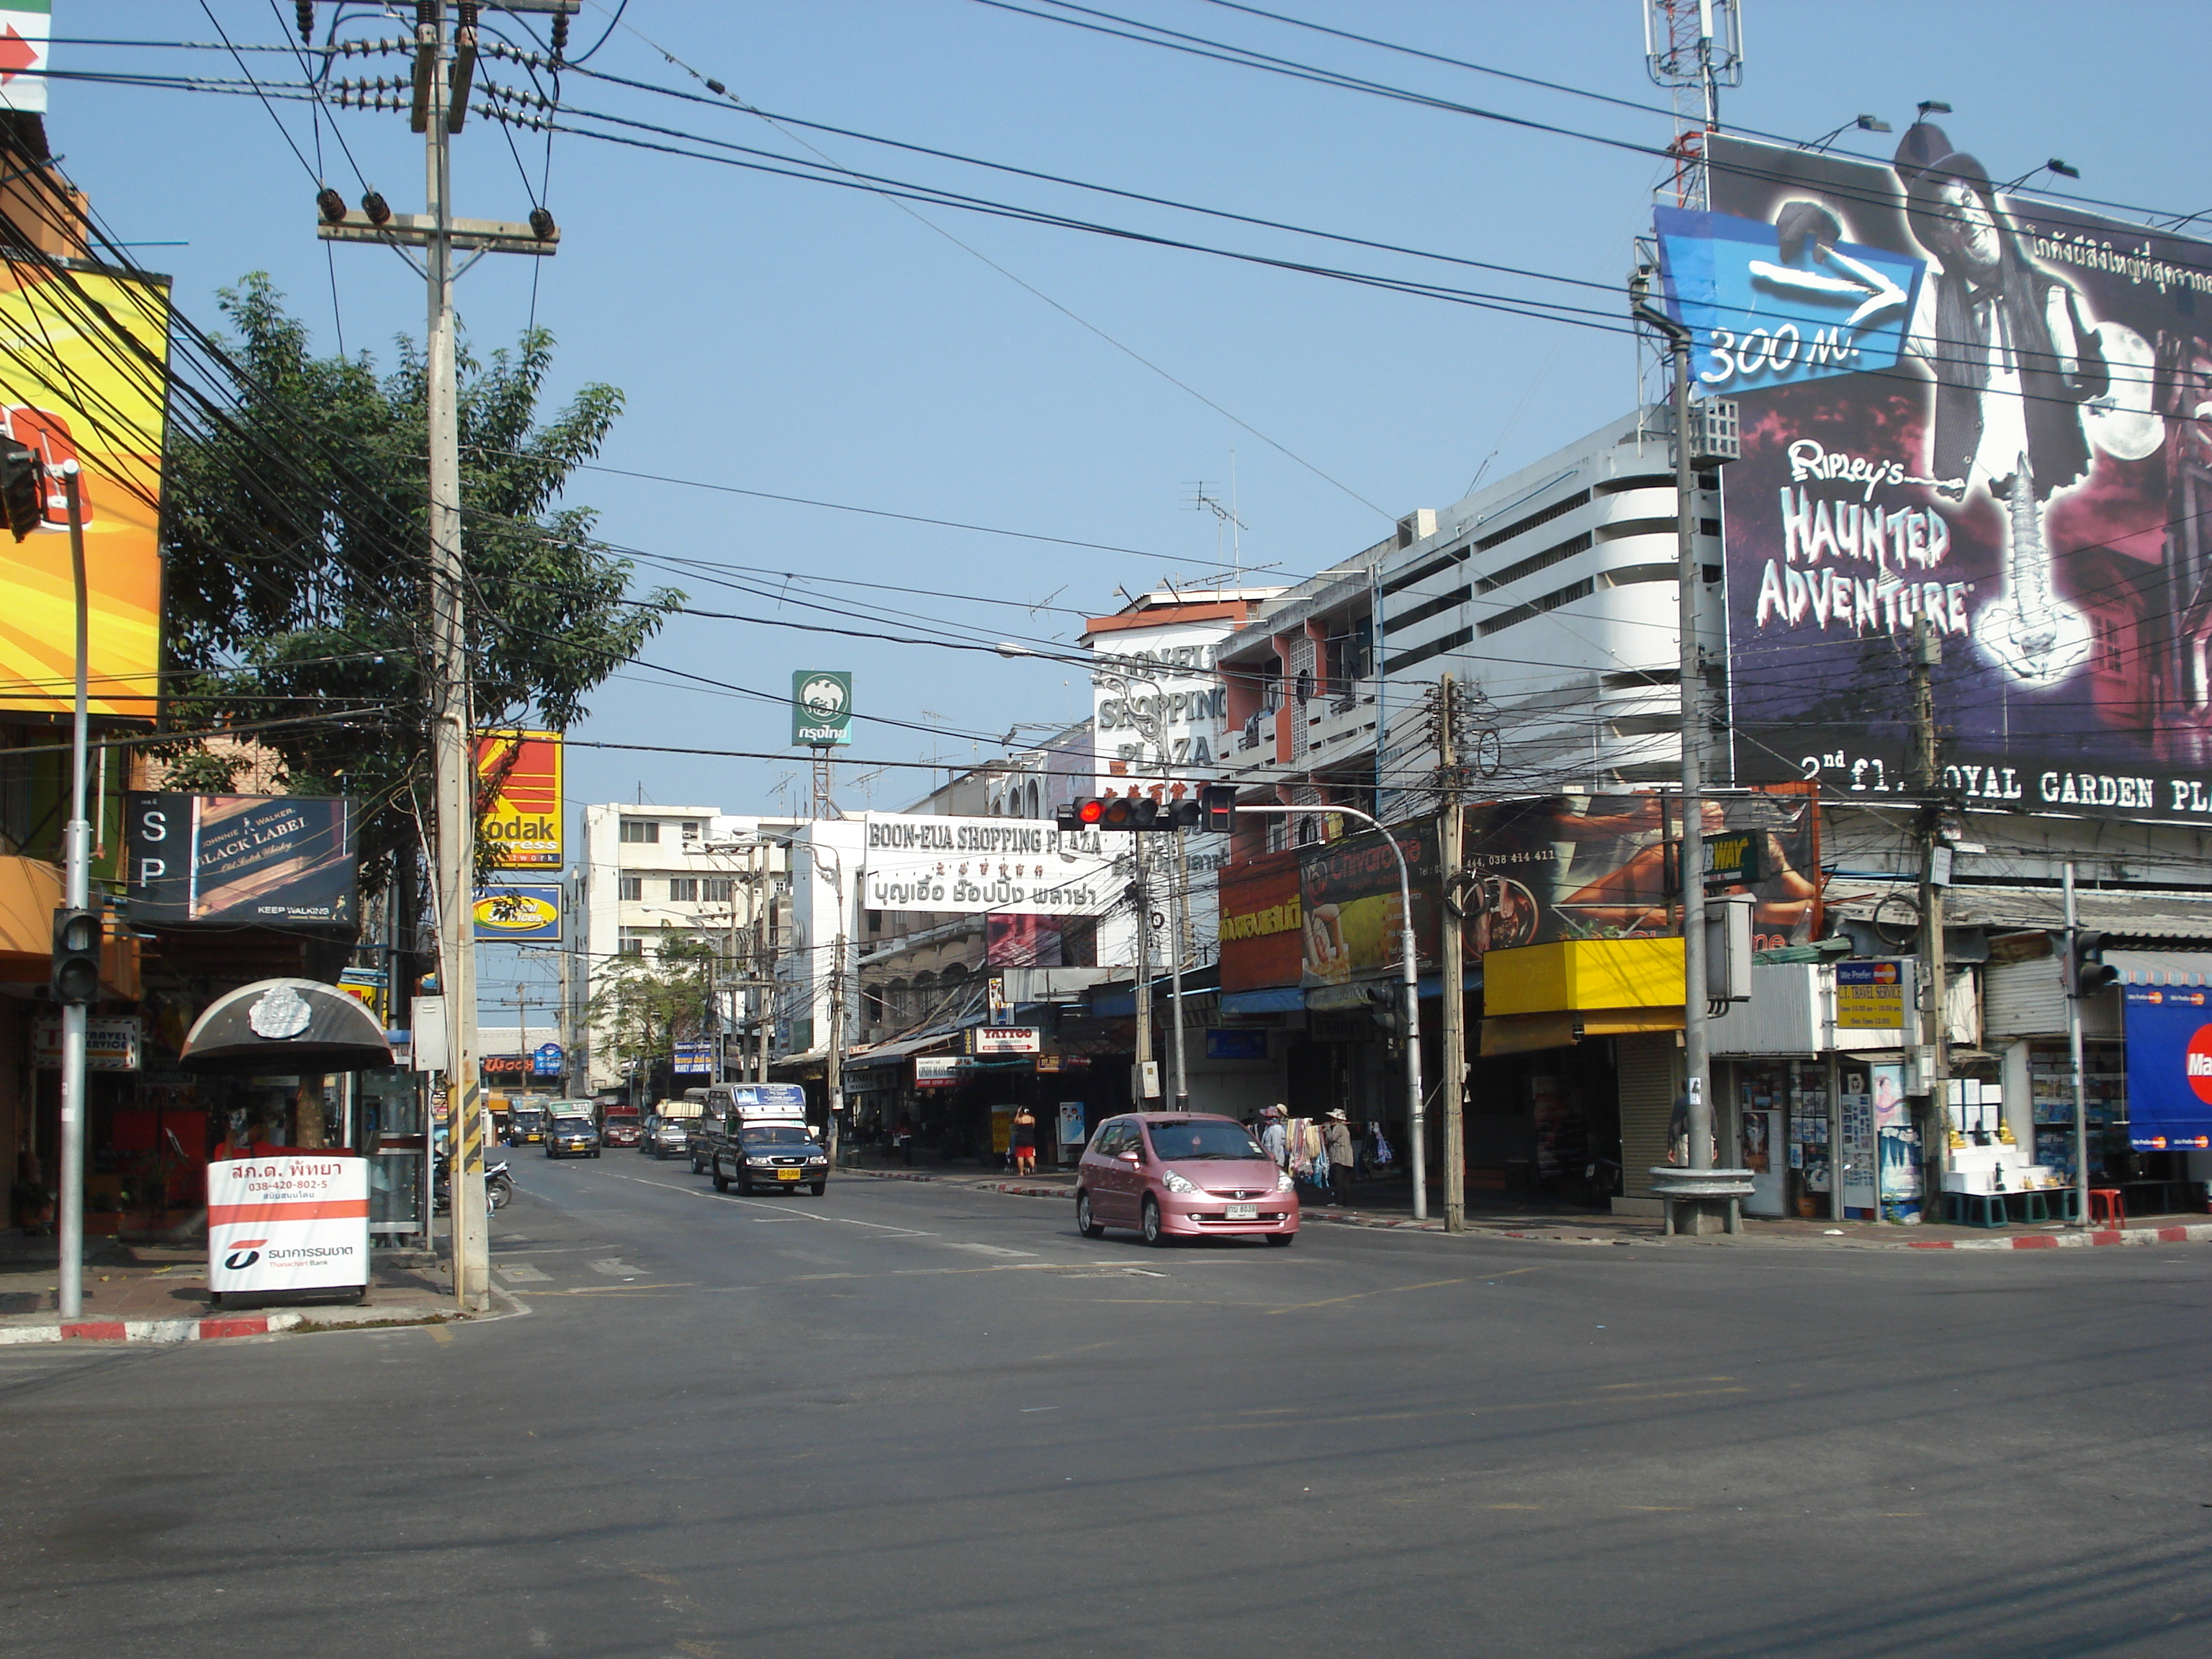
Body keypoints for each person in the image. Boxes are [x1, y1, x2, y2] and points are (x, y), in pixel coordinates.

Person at [1322, 1109, 1355, 1208]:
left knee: (1339, 1181)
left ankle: (1339, 1201)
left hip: (1340, 1158)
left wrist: (1327, 1129)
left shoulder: (1339, 1127)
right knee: (1345, 1182)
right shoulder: (1345, 1128)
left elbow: (1332, 1138)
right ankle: (1344, 1201)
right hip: (1347, 1159)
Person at [1010, 1105, 1037, 1177]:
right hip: (1030, 1139)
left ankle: (1021, 1172)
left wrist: (1018, 1113)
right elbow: (1033, 1127)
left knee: (1020, 1156)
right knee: (1030, 1155)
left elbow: (1015, 1121)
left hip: (1020, 1139)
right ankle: (1033, 1168)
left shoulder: (1020, 1120)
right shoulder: (1032, 1119)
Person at [1260, 1105, 1289, 1170]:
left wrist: (1274, 1160)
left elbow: (1276, 1145)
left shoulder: (1276, 1129)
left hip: (1276, 1162)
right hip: (1268, 1160)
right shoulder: (1269, 1128)